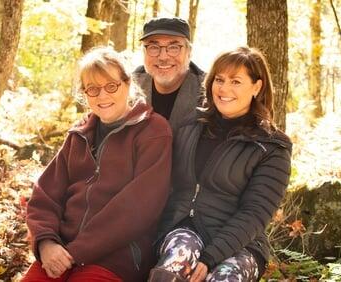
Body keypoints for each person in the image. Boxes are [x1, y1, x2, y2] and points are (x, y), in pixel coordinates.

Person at [22, 47, 173, 282]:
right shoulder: (79, 134)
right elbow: (44, 195)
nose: (102, 96)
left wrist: (76, 252)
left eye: (111, 86)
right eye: (92, 89)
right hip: (59, 250)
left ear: (128, 84)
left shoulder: (153, 130)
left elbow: (138, 208)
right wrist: (46, 243)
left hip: (117, 258)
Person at [148, 47, 293, 282]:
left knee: (224, 277)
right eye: (220, 79)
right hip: (182, 228)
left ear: (257, 87)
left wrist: (209, 257)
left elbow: (255, 214)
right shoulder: (189, 126)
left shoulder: (272, 147)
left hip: (241, 243)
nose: (224, 89)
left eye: (236, 81)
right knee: (175, 264)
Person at [133, 17, 205, 132]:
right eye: (153, 47)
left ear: (189, 52)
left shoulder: (207, 90)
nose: (163, 57)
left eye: (173, 47)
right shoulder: (131, 85)